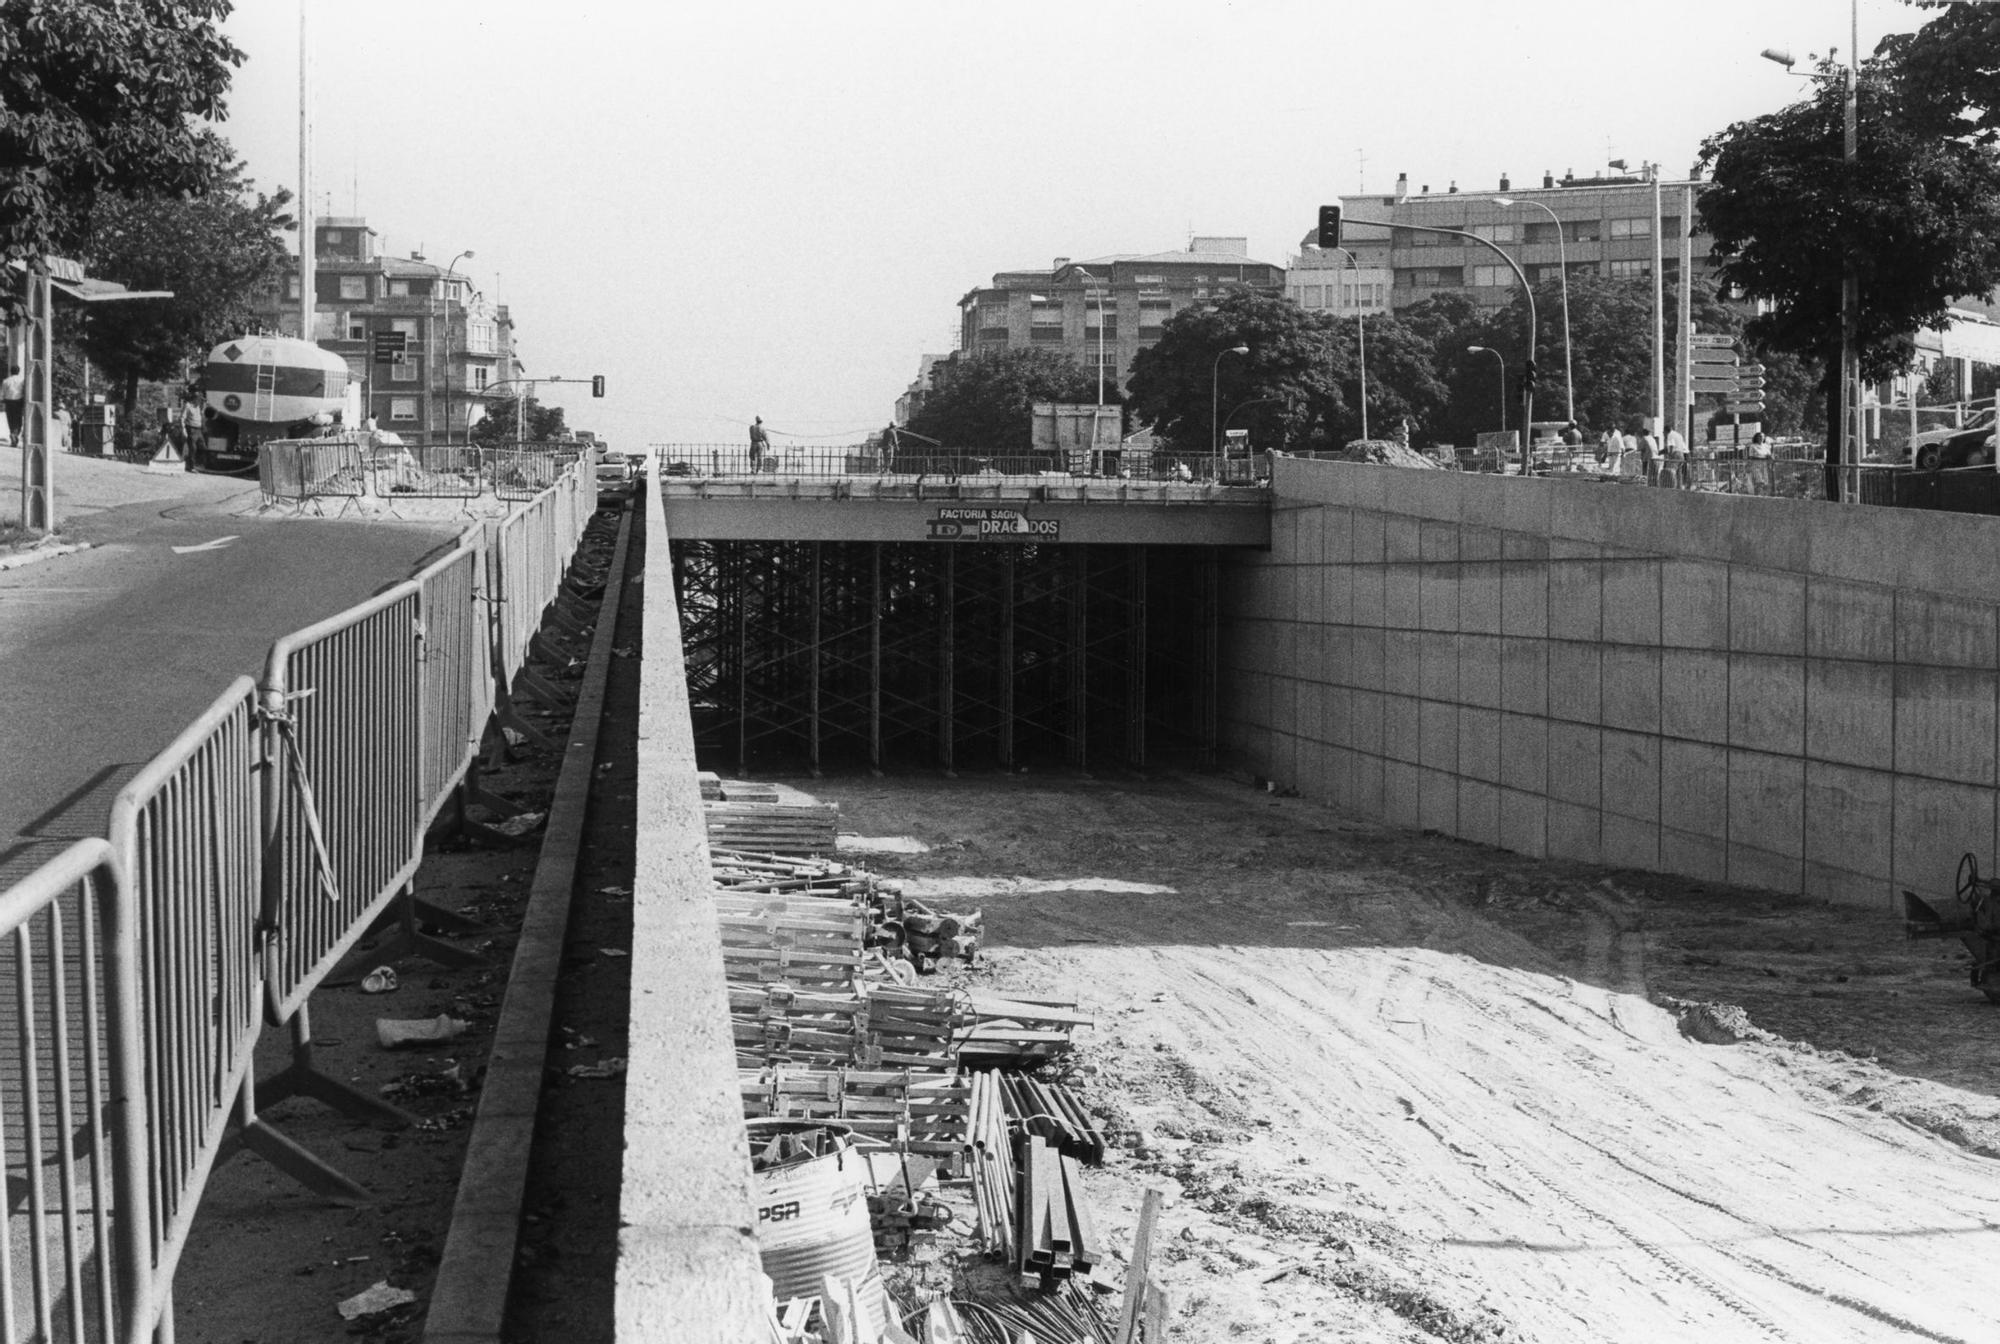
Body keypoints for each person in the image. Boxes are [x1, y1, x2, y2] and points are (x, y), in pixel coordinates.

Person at [0, 365, 23, 445]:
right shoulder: (22, 380)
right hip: (18, 401)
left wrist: (1, 400)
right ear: (18, 371)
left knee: (10, 418)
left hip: (8, 401)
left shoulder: (6, 381)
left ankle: (13, 433)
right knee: (18, 419)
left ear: (10, 371)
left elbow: (2, 392)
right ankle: (15, 434)